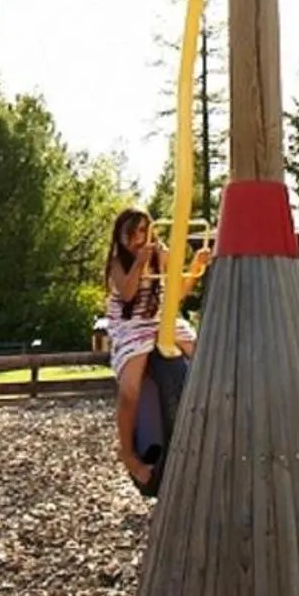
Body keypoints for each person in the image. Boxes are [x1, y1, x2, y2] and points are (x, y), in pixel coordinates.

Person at [102, 209, 204, 490]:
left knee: (201, 356)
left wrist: (195, 268)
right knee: (131, 388)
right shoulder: (117, 263)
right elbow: (128, 292)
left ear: (151, 231)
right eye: (130, 234)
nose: (137, 239)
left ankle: (207, 430)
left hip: (160, 318)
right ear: (119, 237)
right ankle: (128, 453)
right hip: (131, 325)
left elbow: (177, 291)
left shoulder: (161, 253)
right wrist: (139, 263)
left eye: (142, 231)